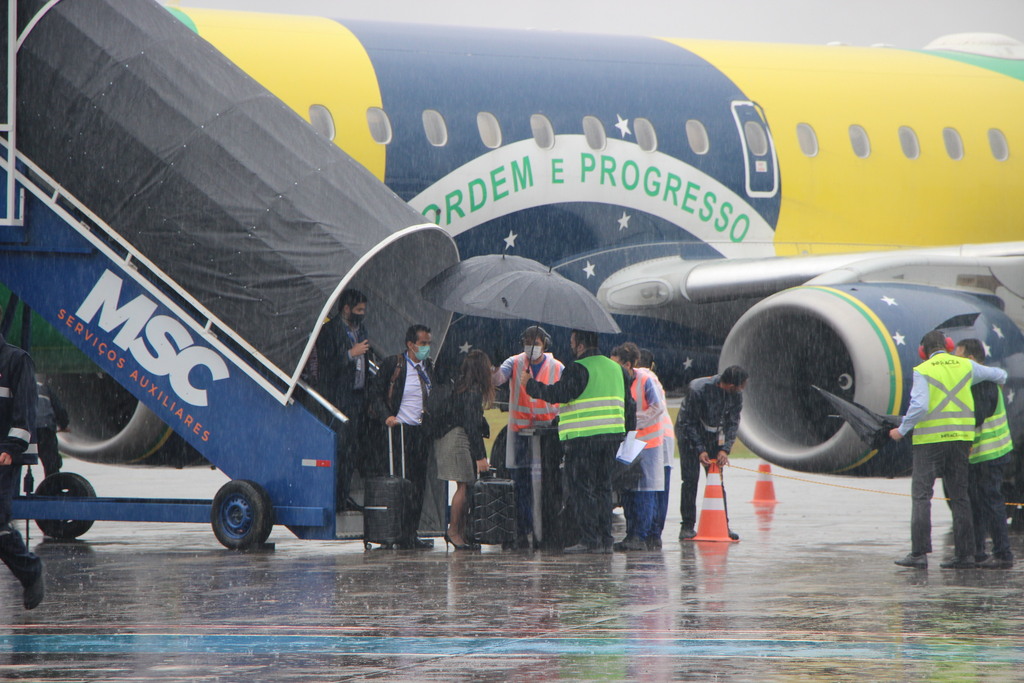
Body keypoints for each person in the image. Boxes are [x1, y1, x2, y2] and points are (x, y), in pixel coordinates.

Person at [890, 330, 1008, 569]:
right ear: (947, 345)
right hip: (961, 441)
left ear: (924, 350)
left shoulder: (923, 370)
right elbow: (1000, 375)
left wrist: (901, 430)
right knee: (960, 497)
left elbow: (920, 406)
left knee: (922, 496)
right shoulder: (965, 366)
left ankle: (919, 553)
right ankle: (965, 556)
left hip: (930, 442)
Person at [520, 329, 635, 553]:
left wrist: (530, 385)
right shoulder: (618, 369)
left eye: (573, 342)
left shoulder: (578, 368)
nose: (571, 346)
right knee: (603, 488)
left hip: (584, 438)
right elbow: (630, 405)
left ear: (580, 345)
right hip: (612, 437)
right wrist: (625, 433)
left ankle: (590, 539)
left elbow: (560, 394)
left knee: (582, 489)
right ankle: (605, 540)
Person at [492, 325, 563, 548]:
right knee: (521, 484)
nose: (532, 347)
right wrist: (493, 370)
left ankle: (545, 531)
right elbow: (497, 379)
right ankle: (523, 530)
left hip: (547, 433)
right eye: (528, 342)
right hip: (520, 432)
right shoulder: (514, 362)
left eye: (537, 342)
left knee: (546, 485)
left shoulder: (557, 367)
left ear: (545, 344)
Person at [369, 324, 436, 550]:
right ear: (410, 344)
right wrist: (386, 416)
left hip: (420, 432)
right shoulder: (393, 364)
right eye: (423, 344)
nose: (427, 348)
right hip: (398, 431)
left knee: (417, 485)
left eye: (429, 344)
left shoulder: (428, 367)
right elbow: (376, 393)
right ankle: (392, 532)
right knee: (397, 482)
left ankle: (410, 533)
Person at [307, 289, 373, 511]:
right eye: (359, 310)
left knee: (353, 449)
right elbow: (325, 367)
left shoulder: (360, 329)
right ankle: (334, 496)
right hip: (338, 399)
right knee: (340, 448)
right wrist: (349, 354)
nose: (362, 314)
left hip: (357, 397)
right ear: (346, 308)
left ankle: (344, 494)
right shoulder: (330, 331)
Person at [955, 338, 1014, 569]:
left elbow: (976, 417)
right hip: (982, 454)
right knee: (977, 503)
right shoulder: (981, 380)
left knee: (991, 501)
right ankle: (977, 552)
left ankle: (1003, 554)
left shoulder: (982, 382)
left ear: (970, 359)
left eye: (958, 357)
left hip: (990, 453)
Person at [0, 317, 44, 609]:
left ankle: (30, 571)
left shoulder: (16, 360)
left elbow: (25, 410)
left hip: (3, 456)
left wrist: (12, 448)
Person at [676, 365, 748, 542]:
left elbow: (732, 422)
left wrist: (725, 449)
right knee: (690, 479)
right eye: (740, 387)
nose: (741, 390)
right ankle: (687, 526)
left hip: (715, 435)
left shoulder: (736, 395)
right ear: (731, 385)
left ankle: (722, 524)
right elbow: (688, 423)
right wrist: (700, 449)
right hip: (689, 434)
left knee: (716, 480)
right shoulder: (698, 389)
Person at [433, 350, 494, 550]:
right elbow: (471, 425)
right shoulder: (472, 392)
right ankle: (454, 531)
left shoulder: (461, 388)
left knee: (466, 485)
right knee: (464, 486)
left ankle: (460, 531)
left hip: (452, 436)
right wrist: (480, 457)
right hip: (457, 439)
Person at [610, 342, 667, 551]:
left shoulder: (646, 379)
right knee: (628, 489)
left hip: (648, 442)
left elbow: (658, 407)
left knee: (644, 490)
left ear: (629, 364)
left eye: (617, 364)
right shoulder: (618, 380)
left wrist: (635, 420)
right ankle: (632, 534)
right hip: (629, 442)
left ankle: (641, 535)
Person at [636, 348, 675, 549]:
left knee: (651, 488)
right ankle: (654, 533)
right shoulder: (652, 377)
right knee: (660, 488)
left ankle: (651, 532)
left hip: (655, 437)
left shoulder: (643, 377)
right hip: (663, 435)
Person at [35, 375, 69, 479]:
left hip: (24, 429)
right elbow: (59, 409)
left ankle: (9, 491)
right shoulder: (45, 388)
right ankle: (52, 487)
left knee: (13, 463)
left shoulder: (19, 386)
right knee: (51, 464)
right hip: (45, 430)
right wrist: (63, 425)